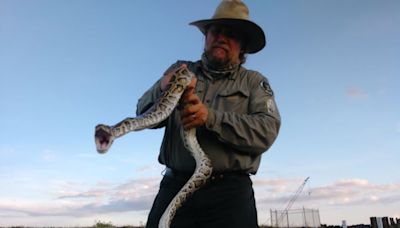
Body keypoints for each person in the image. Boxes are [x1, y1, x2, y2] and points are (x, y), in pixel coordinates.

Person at [137, 1, 281, 227]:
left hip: (230, 197)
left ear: (242, 46)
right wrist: (162, 87)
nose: (221, 37)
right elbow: (143, 115)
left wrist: (210, 118)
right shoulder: (180, 70)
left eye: (231, 34)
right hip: (174, 187)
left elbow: (267, 130)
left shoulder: (255, 82)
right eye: (216, 31)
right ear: (206, 37)